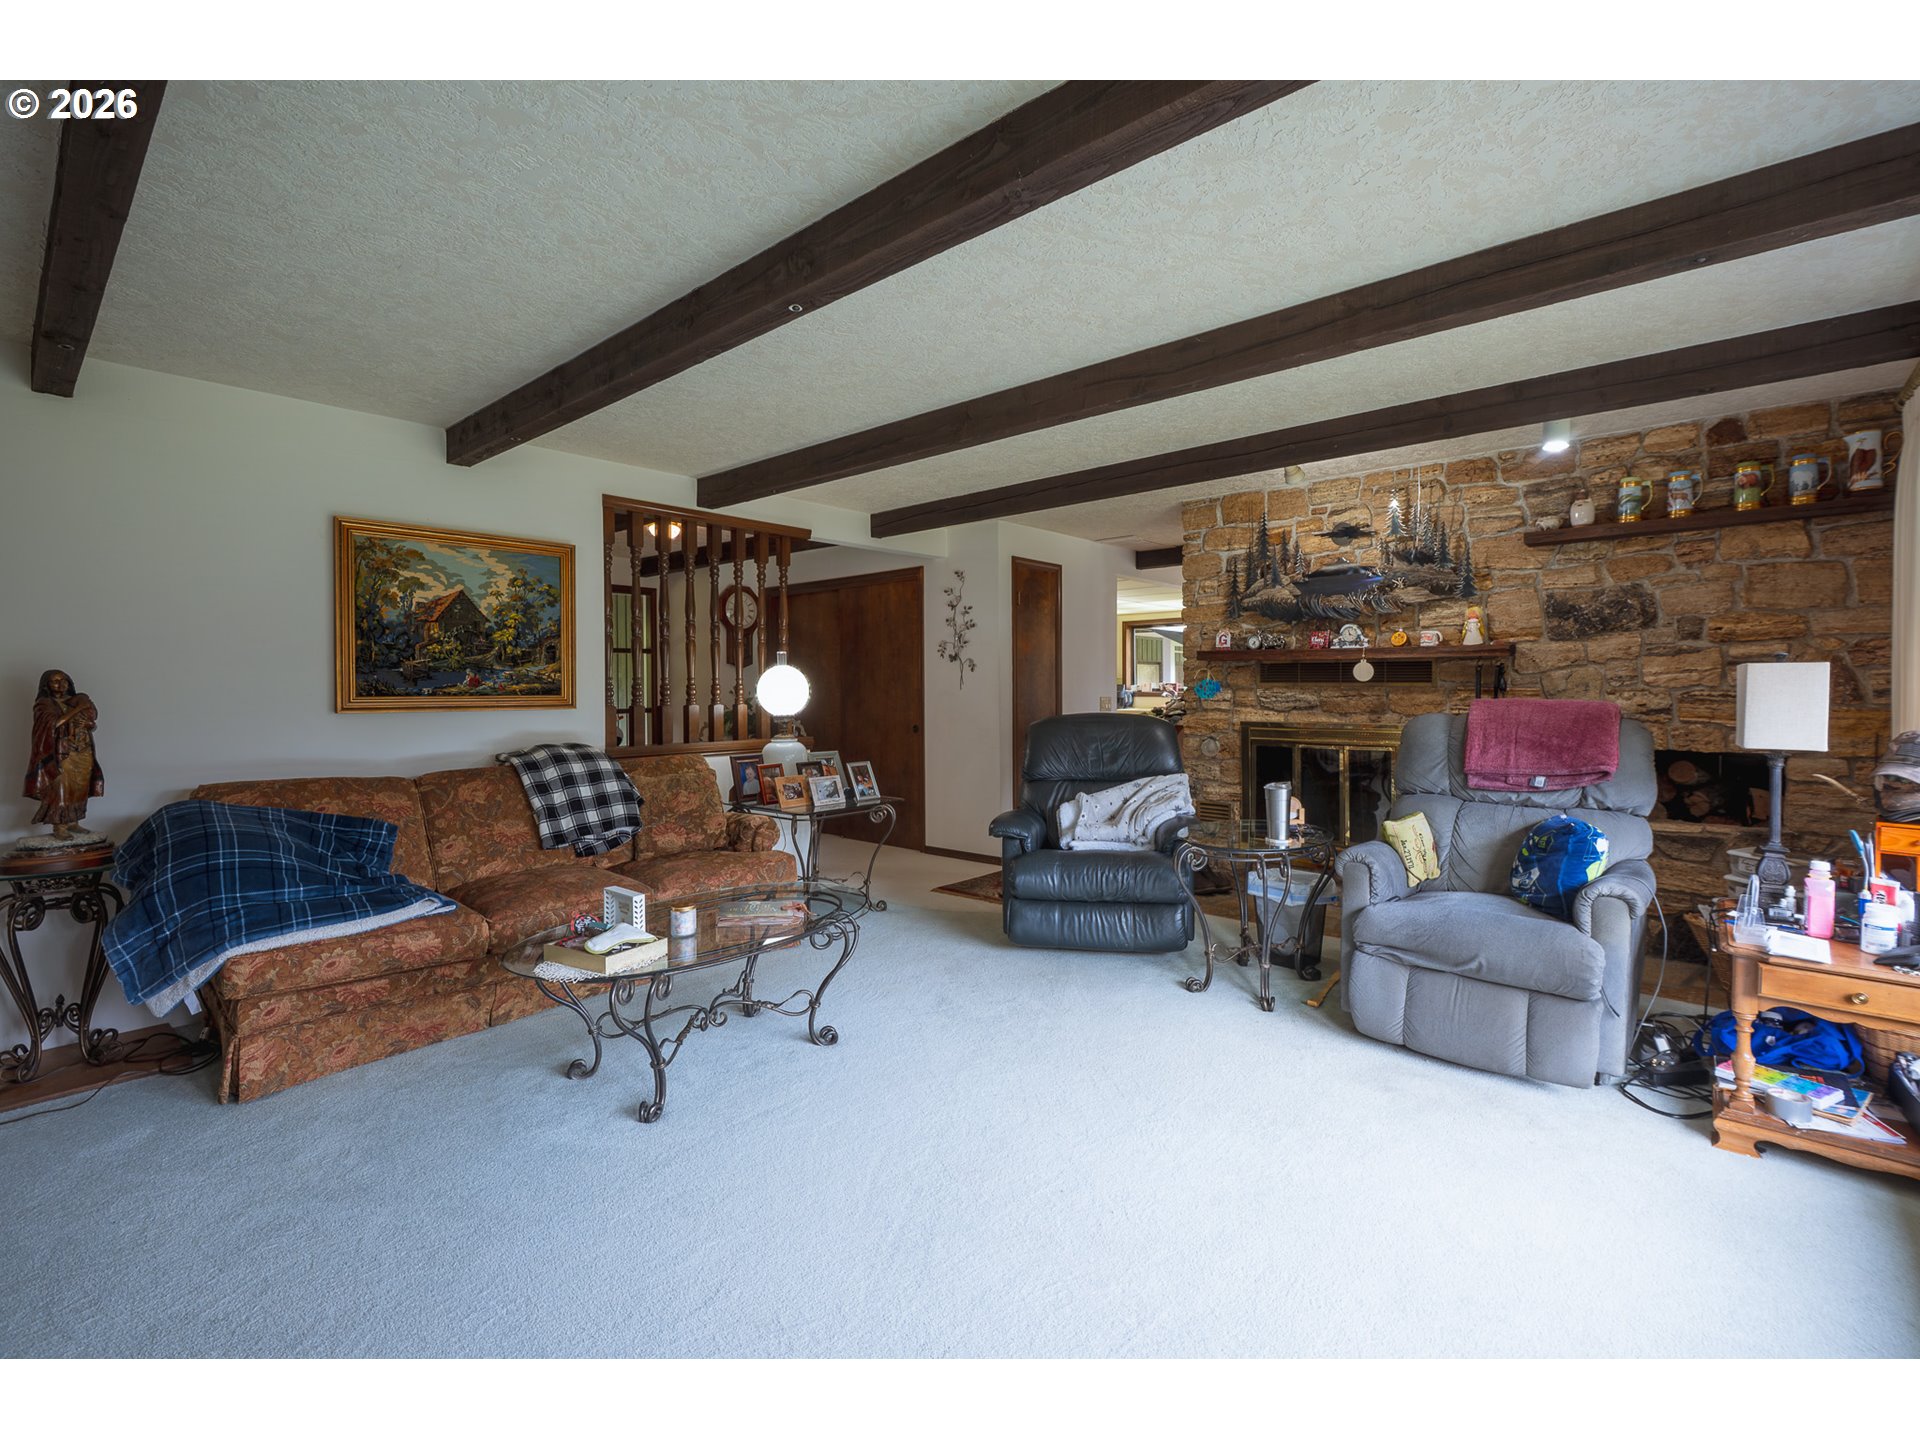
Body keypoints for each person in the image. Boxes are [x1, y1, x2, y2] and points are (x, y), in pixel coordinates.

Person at [24, 669, 104, 839]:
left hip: (83, 750)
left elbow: (92, 724)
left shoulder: (77, 700)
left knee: (80, 787)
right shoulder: (45, 704)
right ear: (46, 685)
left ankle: (74, 822)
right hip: (61, 752)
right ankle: (59, 827)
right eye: (55, 681)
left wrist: (90, 724)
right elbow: (55, 723)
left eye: (64, 680)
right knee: (61, 787)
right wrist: (78, 709)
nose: (61, 684)